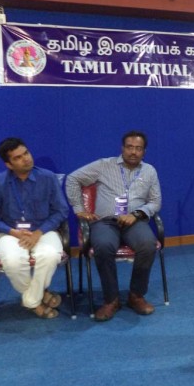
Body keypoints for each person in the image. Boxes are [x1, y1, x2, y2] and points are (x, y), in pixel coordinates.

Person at [65, 131, 161, 321]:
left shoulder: (149, 171)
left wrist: (136, 214)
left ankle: (136, 295)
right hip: (106, 221)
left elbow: (155, 202)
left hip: (134, 221)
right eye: (129, 147)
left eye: (138, 148)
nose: (133, 152)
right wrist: (79, 209)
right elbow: (73, 179)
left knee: (148, 244)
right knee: (103, 245)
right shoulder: (104, 165)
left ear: (144, 151)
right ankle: (111, 299)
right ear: (122, 148)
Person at [0, 138, 68, 319]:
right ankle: (41, 295)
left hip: (43, 230)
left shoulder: (48, 178)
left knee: (49, 255)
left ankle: (31, 301)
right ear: (9, 164)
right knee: (13, 261)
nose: (26, 159)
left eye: (26, 153)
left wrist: (38, 233)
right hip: (11, 232)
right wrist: (13, 232)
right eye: (18, 158)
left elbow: (61, 211)